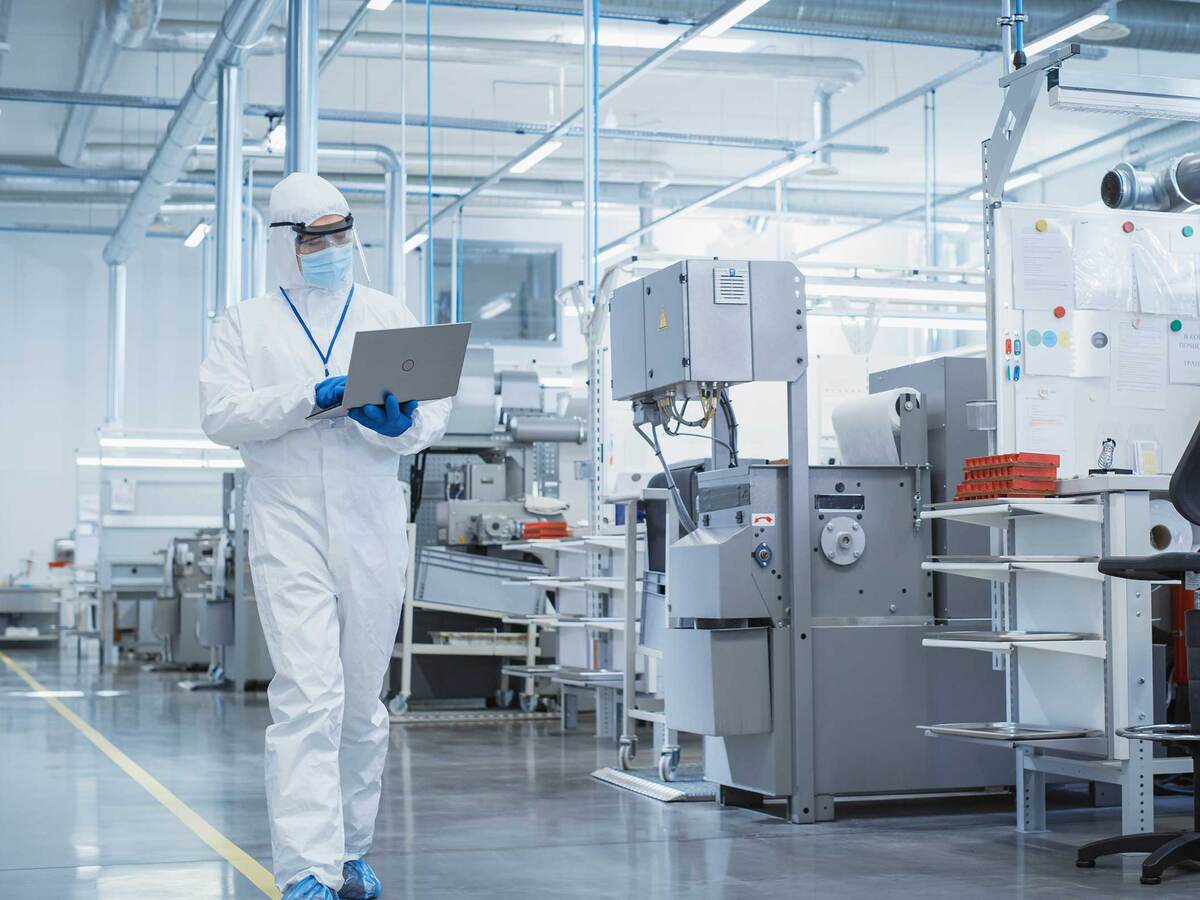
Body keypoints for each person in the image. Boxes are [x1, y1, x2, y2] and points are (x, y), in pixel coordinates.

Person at [200, 173, 451, 899]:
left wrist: (405, 427)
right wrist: (310, 397)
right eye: (316, 238)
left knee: (362, 701)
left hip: (373, 518)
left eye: (341, 235)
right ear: (286, 243)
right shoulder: (244, 324)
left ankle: (349, 854)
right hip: (289, 522)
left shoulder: (386, 311)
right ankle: (305, 868)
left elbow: (432, 409)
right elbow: (222, 416)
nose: (332, 249)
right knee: (309, 694)